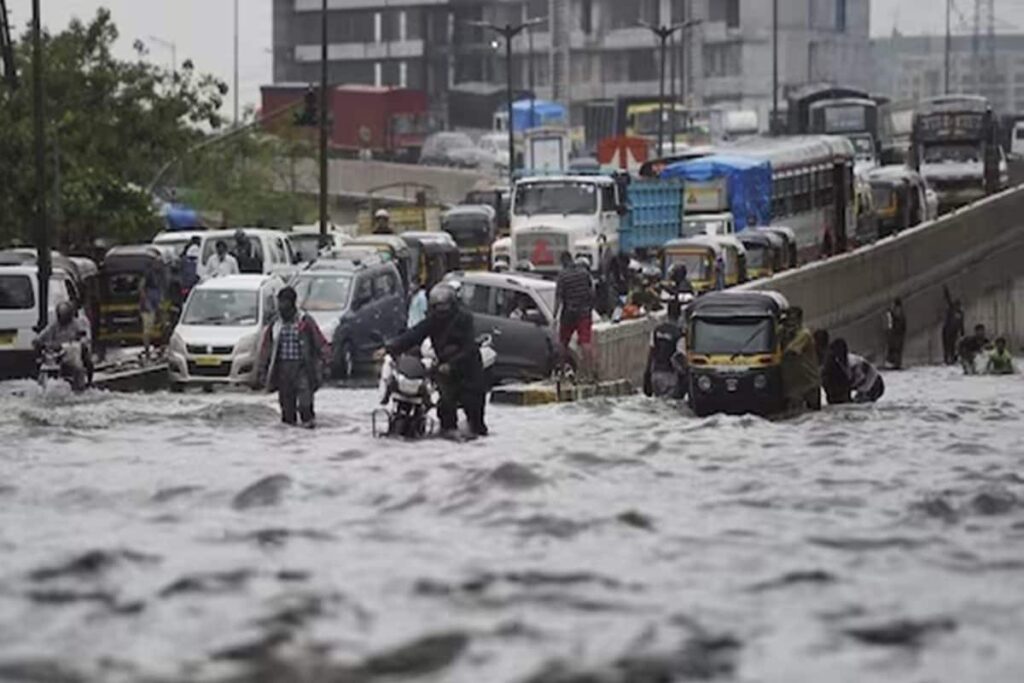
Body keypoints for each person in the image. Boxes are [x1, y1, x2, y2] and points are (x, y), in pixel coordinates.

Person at [387, 284, 488, 438]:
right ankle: (446, 433)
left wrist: (451, 365)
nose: (441, 312)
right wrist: (390, 347)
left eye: (444, 307)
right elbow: (415, 334)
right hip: (444, 371)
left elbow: (469, 348)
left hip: (468, 371)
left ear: (452, 305)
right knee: (445, 406)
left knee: (475, 416)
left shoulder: (464, 319)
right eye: (437, 307)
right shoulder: (433, 321)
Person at [258, 287, 329, 428]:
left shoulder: (305, 322)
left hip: (303, 368)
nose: (280, 307)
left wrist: (326, 363)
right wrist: (263, 370)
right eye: (279, 303)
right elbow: (266, 348)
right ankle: (290, 443)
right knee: (287, 412)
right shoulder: (276, 325)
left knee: (305, 406)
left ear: (292, 303)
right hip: (283, 370)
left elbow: (320, 342)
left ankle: (308, 438)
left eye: (284, 303)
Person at [555, 251, 596, 382]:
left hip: (568, 313)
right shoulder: (584, 273)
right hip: (584, 313)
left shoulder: (562, 276)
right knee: (586, 342)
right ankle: (589, 374)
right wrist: (589, 307)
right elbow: (592, 292)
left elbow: (559, 298)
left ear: (562, 262)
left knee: (563, 342)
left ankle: (561, 372)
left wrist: (554, 315)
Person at [33, 301, 92, 391]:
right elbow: (41, 337)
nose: (63, 318)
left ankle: (87, 382)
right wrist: (38, 342)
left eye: (65, 315)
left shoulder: (76, 324)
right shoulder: (54, 325)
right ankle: (41, 385)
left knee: (82, 363)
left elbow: (84, 335)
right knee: (43, 365)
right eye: (61, 315)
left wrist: (82, 341)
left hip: (73, 351)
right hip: (57, 352)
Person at [643, 299, 687, 399]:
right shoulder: (679, 335)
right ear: (680, 315)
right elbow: (681, 359)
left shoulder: (657, 330)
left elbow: (651, 355)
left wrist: (647, 378)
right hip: (670, 377)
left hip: (656, 376)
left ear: (668, 313)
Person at [781, 306, 822, 411]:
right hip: (793, 387)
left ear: (799, 320)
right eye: (787, 320)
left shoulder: (804, 334)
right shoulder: (783, 333)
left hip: (809, 384)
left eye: (792, 319)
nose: (790, 323)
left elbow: (790, 351)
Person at [823, 338, 885, 404]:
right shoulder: (841, 363)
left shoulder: (852, 362)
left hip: (875, 385)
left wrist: (847, 386)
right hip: (866, 385)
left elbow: (860, 378)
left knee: (860, 405)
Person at [139, 261, 164, 360]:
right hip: (148, 306)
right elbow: (141, 288)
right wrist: (146, 302)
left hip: (156, 303)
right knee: (147, 329)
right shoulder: (148, 273)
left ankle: (159, 347)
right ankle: (147, 350)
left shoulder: (160, 274)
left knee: (161, 325)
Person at [941, 286, 965, 365]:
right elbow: (948, 300)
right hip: (947, 331)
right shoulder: (951, 310)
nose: (958, 307)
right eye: (957, 305)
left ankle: (952, 359)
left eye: (959, 305)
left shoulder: (961, 313)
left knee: (953, 346)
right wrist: (946, 291)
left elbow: (961, 324)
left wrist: (962, 333)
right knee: (946, 346)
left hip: (954, 332)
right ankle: (946, 359)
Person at [884, 298, 907, 370]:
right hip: (893, 342)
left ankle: (895, 363)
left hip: (896, 342)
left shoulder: (900, 318)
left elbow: (900, 329)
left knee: (895, 353)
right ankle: (893, 363)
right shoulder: (892, 316)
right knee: (893, 353)